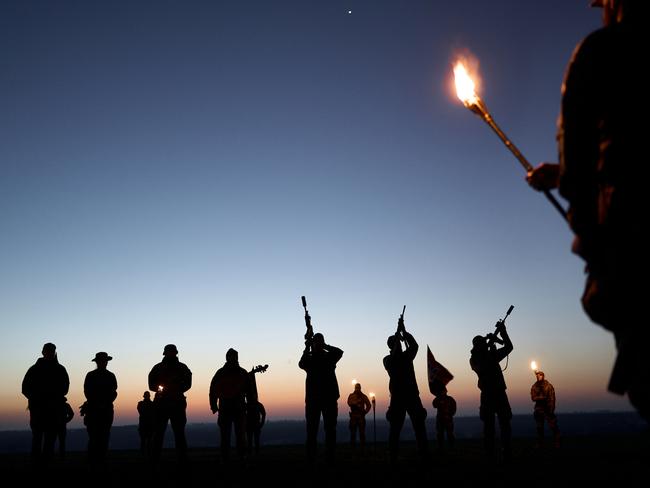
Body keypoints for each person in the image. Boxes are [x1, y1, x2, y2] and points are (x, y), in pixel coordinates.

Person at [525, 0, 650, 422]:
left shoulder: (601, 51)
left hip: (632, 239)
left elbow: (582, 164)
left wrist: (588, 232)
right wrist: (559, 175)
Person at [383, 316, 428, 464]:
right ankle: (393, 455)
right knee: (395, 429)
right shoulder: (388, 360)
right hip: (398, 398)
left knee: (419, 427)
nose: (400, 346)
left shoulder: (405, 356)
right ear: (392, 346)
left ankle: (423, 454)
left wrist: (404, 331)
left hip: (411, 396)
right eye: (397, 344)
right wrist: (400, 337)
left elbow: (414, 346)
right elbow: (410, 348)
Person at [469, 319, 513, 460]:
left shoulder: (489, 355)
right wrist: (491, 344)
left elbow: (509, 347)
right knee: (489, 427)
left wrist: (502, 333)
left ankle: (506, 451)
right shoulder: (475, 359)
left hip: (499, 393)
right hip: (489, 395)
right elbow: (482, 366)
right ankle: (490, 454)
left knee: (504, 424)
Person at [298, 331, 344, 463]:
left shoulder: (326, 357)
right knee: (314, 430)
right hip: (317, 400)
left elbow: (340, 352)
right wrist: (309, 347)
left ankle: (326, 457)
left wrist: (317, 346)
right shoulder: (317, 358)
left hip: (325, 399)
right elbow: (301, 364)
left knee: (327, 430)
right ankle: (314, 457)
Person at [21, 342, 70, 464]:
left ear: (54, 352)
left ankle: (45, 465)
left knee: (49, 440)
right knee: (38, 439)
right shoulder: (34, 370)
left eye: (52, 351)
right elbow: (25, 388)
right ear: (43, 352)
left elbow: (65, 388)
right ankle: (37, 464)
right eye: (48, 351)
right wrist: (37, 399)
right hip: (38, 410)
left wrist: (53, 398)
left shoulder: (60, 369)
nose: (50, 353)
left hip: (53, 411)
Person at [148, 344, 192, 463]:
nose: (171, 354)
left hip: (176, 404)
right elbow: (151, 384)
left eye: (172, 352)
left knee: (179, 433)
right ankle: (155, 459)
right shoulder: (157, 368)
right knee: (158, 433)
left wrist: (178, 388)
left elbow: (188, 383)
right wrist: (161, 388)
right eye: (169, 352)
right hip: (162, 405)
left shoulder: (182, 368)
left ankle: (182, 459)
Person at [209, 348, 252, 461]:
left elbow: (249, 391)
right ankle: (226, 458)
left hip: (238, 408)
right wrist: (213, 405)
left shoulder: (241, 373)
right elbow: (213, 390)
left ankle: (241, 457)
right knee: (226, 436)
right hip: (227, 408)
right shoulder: (223, 373)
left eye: (234, 356)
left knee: (240, 435)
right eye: (231, 356)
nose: (232, 358)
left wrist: (250, 405)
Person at [83, 351, 118, 465]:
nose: (104, 363)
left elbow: (114, 392)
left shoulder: (94, 375)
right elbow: (88, 392)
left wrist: (103, 402)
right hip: (97, 410)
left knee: (101, 436)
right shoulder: (105, 376)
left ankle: (98, 460)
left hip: (100, 409)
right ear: (98, 362)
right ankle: (95, 460)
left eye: (105, 361)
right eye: (102, 361)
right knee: (96, 436)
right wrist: (102, 402)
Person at [530, 370, 561, 448]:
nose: (538, 376)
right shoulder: (534, 386)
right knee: (539, 427)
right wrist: (541, 397)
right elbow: (533, 398)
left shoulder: (548, 386)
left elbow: (552, 397)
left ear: (543, 376)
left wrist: (552, 408)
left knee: (553, 426)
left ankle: (557, 442)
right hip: (539, 409)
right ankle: (540, 443)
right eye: (537, 375)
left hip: (548, 409)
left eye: (540, 375)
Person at [347, 382, 372, 451]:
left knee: (362, 433)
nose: (357, 389)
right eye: (356, 387)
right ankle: (353, 448)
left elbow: (369, 405)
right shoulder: (351, 396)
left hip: (361, 417)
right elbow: (349, 402)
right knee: (353, 433)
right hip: (353, 417)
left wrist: (365, 412)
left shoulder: (364, 396)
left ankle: (362, 448)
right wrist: (356, 403)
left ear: (360, 388)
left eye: (358, 388)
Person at [432, 386, 457, 452]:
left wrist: (450, 414)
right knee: (440, 434)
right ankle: (441, 448)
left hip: (448, 419)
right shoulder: (438, 399)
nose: (442, 392)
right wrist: (437, 397)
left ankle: (451, 447)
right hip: (440, 420)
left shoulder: (450, 399)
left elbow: (454, 408)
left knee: (450, 434)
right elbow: (434, 405)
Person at [137, 391, 155, 457]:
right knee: (148, 442)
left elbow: (141, 412)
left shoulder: (140, 404)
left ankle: (144, 455)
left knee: (144, 442)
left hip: (144, 426)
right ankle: (148, 455)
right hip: (148, 426)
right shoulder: (152, 404)